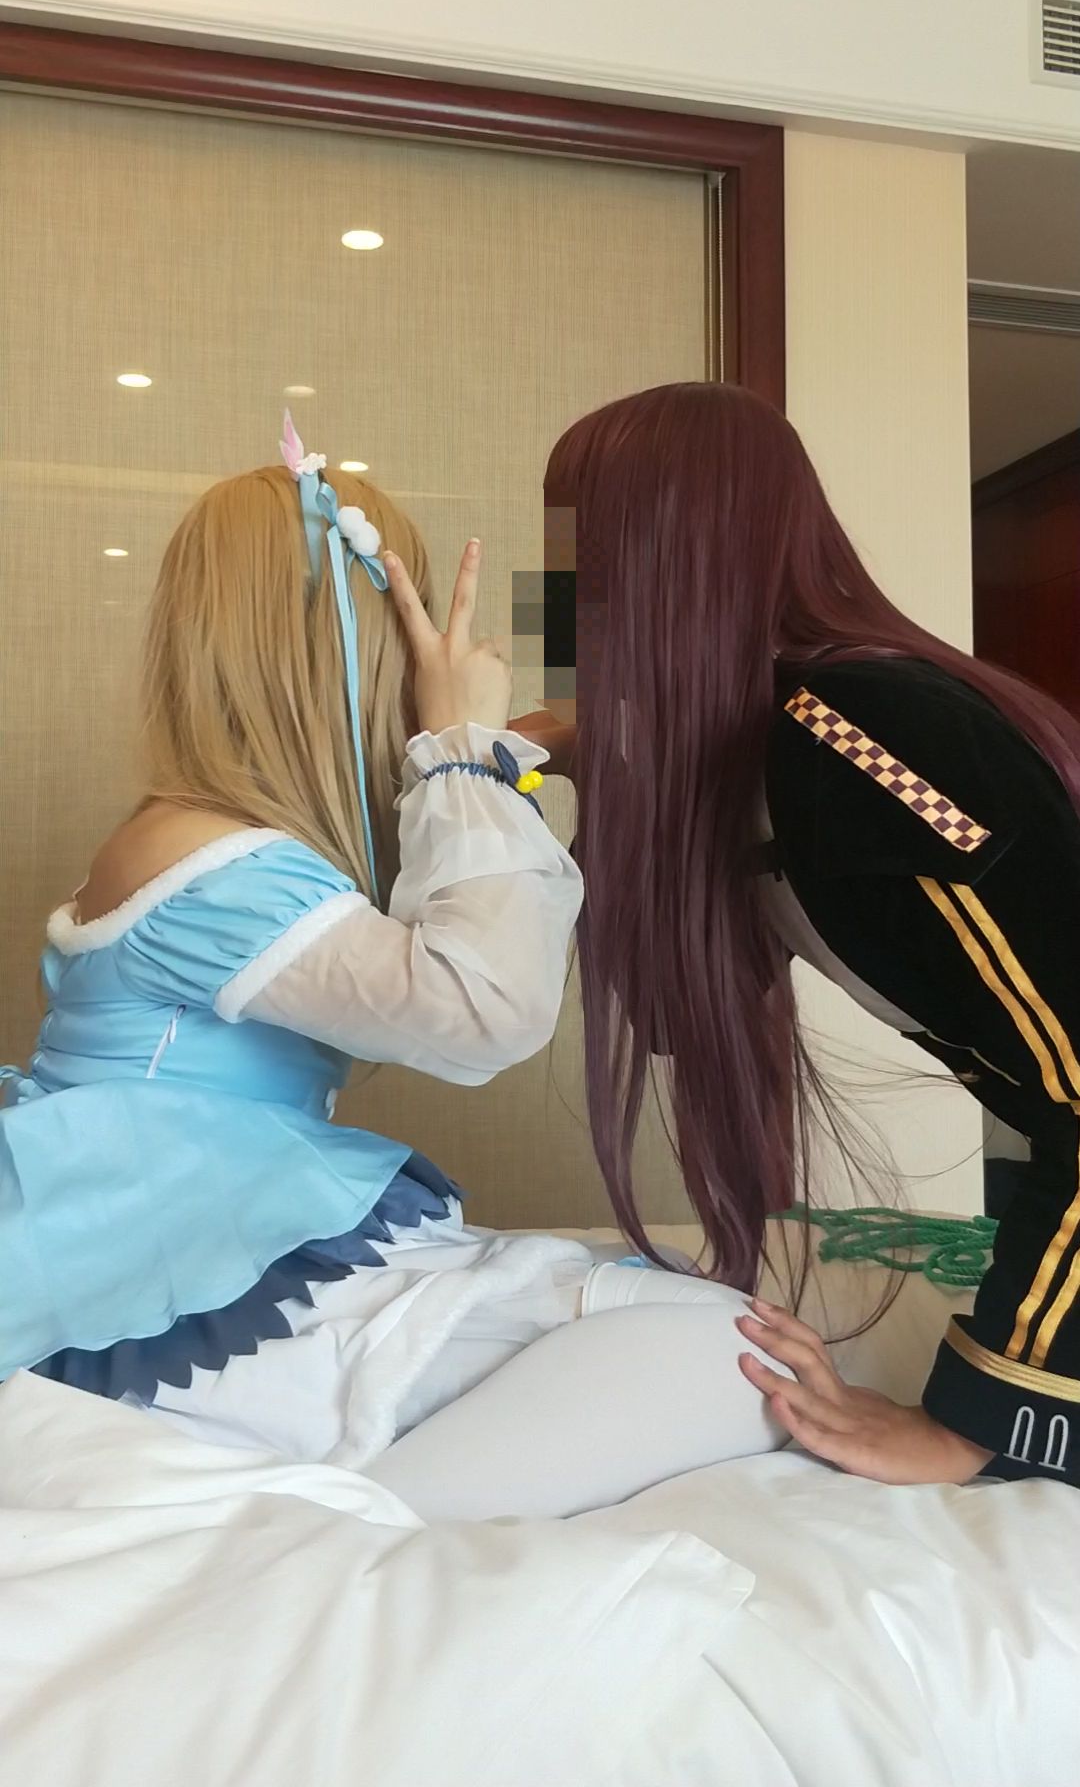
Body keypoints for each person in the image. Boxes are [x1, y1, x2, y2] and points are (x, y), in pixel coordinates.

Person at [0, 417, 800, 1522]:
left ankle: (351, 1524)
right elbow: (487, 1009)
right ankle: (337, 1539)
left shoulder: (200, 841)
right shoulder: (211, 864)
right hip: (166, 1276)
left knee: (720, 1333)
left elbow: (454, 872)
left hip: (194, 1237)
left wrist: (517, 742)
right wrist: (462, 746)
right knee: (743, 1359)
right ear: (357, 644)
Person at [514, 379, 1080, 1492]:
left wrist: (981, 1421)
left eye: (581, 561)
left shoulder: (860, 738)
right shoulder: (757, 763)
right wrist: (600, 766)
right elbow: (679, 1018)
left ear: (672, 563)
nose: (560, 604)